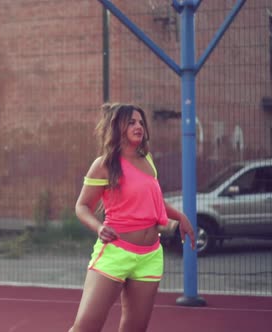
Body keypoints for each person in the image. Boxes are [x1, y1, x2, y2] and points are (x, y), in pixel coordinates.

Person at [69, 103, 196, 332]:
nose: (138, 126)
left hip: (150, 256)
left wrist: (180, 217)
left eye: (140, 122)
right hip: (115, 252)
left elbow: (154, 202)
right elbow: (82, 206)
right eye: (131, 122)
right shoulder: (104, 165)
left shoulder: (147, 160)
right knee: (86, 327)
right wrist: (98, 228)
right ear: (118, 127)